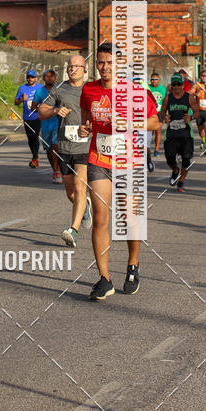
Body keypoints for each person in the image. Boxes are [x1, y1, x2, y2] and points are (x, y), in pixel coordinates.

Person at [78, 43, 159, 301]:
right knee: (101, 219)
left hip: (129, 162)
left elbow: (155, 122)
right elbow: (86, 118)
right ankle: (105, 279)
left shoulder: (135, 91)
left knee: (129, 220)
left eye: (110, 63)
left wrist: (132, 122)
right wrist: (84, 129)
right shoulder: (89, 90)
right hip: (99, 159)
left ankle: (132, 265)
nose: (105, 68)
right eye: (101, 63)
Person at [38, 55, 92, 247]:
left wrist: (89, 127)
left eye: (77, 66)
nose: (73, 69)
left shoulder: (91, 89)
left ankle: (73, 230)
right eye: (70, 66)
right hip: (64, 145)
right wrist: (54, 111)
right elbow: (41, 111)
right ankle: (85, 207)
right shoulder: (59, 88)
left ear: (85, 69)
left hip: (85, 146)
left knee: (79, 187)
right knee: (71, 193)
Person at [161, 73, 195, 193]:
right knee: (170, 158)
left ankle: (181, 181)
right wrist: (164, 117)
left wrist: (190, 117)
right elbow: (161, 113)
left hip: (186, 134)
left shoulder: (189, 97)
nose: (176, 86)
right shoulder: (167, 99)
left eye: (178, 84)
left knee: (186, 159)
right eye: (174, 84)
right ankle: (175, 170)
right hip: (171, 134)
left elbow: (197, 112)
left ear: (182, 85)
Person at [33, 70, 62, 182]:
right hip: (45, 124)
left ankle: (58, 172)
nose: (49, 78)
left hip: (58, 123)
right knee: (49, 149)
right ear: (43, 78)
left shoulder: (60, 89)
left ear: (55, 77)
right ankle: (55, 170)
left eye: (52, 76)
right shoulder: (39, 91)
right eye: (47, 76)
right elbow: (33, 107)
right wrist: (44, 109)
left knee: (56, 146)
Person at [15, 69, 40, 167]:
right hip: (27, 117)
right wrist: (22, 99)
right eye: (28, 77)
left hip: (37, 117)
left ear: (36, 78)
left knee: (35, 136)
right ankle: (35, 156)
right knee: (30, 138)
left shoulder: (41, 88)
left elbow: (48, 99)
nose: (30, 79)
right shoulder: (22, 88)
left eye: (32, 77)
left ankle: (35, 158)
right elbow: (15, 102)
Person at [148, 72, 166, 156]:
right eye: (152, 79)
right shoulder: (148, 88)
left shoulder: (163, 89)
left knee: (158, 131)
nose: (153, 81)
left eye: (155, 79)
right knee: (150, 132)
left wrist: (166, 112)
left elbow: (166, 101)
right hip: (149, 113)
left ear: (159, 80)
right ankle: (147, 148)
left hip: (159, 112)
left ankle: (156, 150)